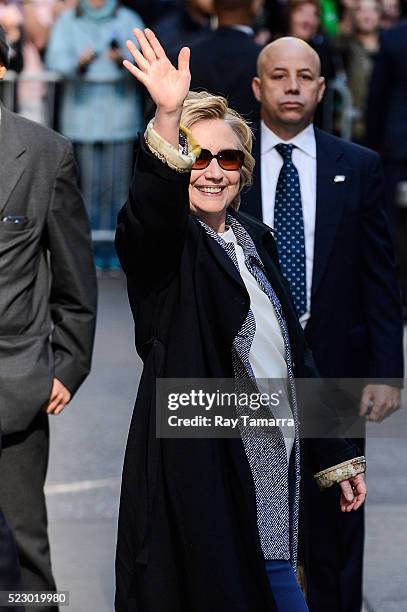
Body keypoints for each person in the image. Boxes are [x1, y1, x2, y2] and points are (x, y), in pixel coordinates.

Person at [115, 27, 367, 612]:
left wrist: (333, 448)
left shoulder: (255, 240)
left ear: (243, 167)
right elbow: (148, 218)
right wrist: (167, 113)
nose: (211, 171)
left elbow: (293, 354)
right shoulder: (171, 249)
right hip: (200, 480)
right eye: (195, 156)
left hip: (272, 473)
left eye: (226, 157)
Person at [242, 37, 403, 611]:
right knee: (254, 506)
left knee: (338, 507)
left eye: (304, 76)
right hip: (250, 370)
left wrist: (388, 370)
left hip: (336, 363)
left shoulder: (357, 166)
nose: (291, 85)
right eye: (278, 75)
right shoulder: (227, 165)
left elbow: (379, 275)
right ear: (258, 87)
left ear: (320, 87)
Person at [0, 26, 97, 612]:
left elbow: (75, 277)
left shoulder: (44, 152)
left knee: (26, 551)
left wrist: (68, 365)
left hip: (16, 380)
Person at [46, 0, 145, 269]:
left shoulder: (128, 18)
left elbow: (146, 59)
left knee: (116, 191)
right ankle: (85, 250)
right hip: (82, 120)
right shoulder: (68, 20)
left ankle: (115, 251)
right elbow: (54, 61)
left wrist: (123, 60)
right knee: (86, 190)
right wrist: (79, 63)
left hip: (120, 120)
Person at [366, 19, 407, 319]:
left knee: (394, 227)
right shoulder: (393, 38)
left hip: (397, 146)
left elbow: (377, 96)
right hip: (397, 149)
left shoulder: (393, 37)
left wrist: (374, 141)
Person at [188, 0, 263, 122]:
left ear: (213, 6)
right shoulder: (264, 59)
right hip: (249, 139)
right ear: (254, 6)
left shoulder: (186, 56)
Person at [337, 0, 381, 144]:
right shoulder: (346, 44)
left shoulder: (390, 46)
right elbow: (337, 40)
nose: (366, 15)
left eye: (372, 10)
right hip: (352, 125)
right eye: (360, 10)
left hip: (383, 125)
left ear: (380, 14)